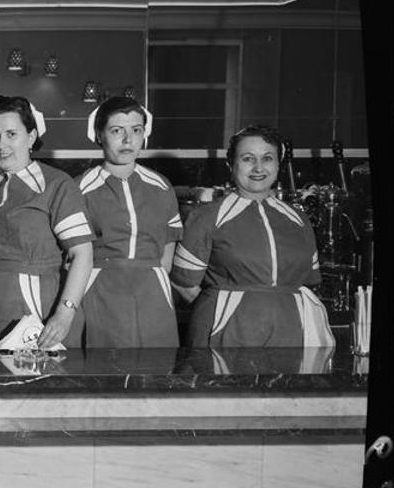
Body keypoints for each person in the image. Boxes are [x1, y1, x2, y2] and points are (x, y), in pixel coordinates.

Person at [170, 125, 333, 347]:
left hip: (292, 331)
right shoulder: (207, 217)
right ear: (231, 164)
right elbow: (183, 284)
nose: (258, 168)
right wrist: (220, 310)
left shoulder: (298, 219)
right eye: (248, 159)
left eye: (268, 158)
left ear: (278, 164)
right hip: (228, 331)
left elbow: (309, 281)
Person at [0, 95, 93, 351]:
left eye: (12, 134)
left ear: (31, 137)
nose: (1, 145)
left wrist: (64, 315)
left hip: (35, 307)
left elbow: (83, 255)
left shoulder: (56, 184)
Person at [76, 96, 182, 347]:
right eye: (116, 131)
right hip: (100, 291)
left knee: (158, 370)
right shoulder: (79, 188)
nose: (128, 140)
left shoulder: (161, 185)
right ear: (99, 135)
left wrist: (152, 279)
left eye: (136, 130)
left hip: (153, 294)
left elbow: (167, 252)